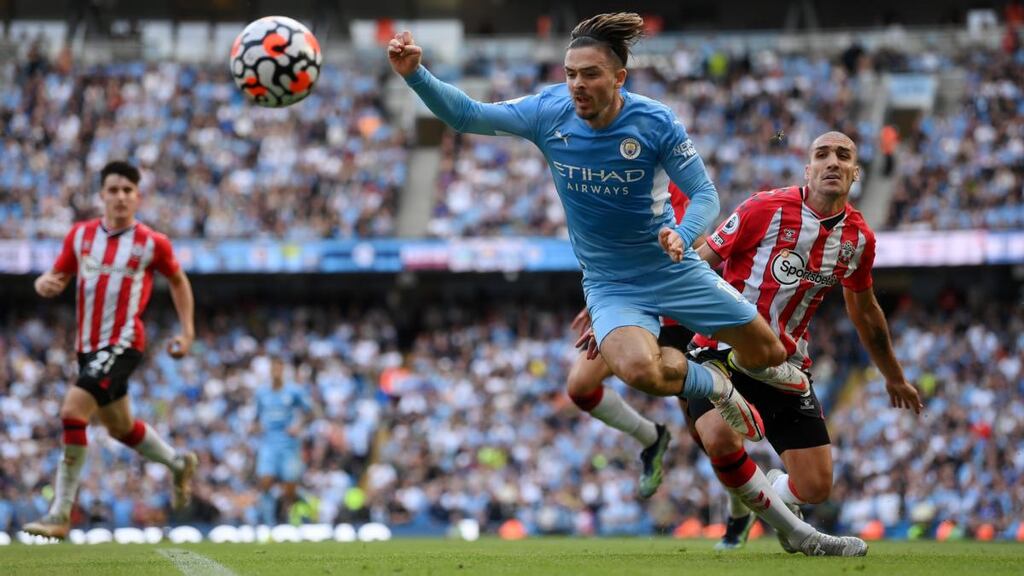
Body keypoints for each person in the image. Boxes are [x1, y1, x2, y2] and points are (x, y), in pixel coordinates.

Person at [388, 12, 815, 444]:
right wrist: (415, 74)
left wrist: (682, 236)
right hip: (611, 284)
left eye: (590, 74)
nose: (577, 84)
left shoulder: (655, 122)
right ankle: (715, 385)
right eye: (571, 74)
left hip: (672, 270)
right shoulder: (548, 112)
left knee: (768, 352)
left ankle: (734, 375)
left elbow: (704, 194)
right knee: (639, 370)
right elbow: (467, 116)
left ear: (619, 78)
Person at [684, 132, 922, 554]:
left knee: (815, 487)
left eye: (843, 156)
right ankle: (802, 536)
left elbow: (866, 313)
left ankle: (770, 492)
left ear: (855, 173)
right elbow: (698, 263)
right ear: (808, 170)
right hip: (720, 352)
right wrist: (630, 310)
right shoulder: (763, 208)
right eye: (822, 155)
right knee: (719, 439)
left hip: (787, 366)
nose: (833, 162)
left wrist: (894, 377)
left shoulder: (858, 239)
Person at [23, 160, 198, 539]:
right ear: (102, 195)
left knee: (73, 411)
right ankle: (177, 462)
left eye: (127, 190)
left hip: (123, 342)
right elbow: (56, 276)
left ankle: (60, 514)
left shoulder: (151, 242)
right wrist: (43, 283)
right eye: (114, 190)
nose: (121, 197)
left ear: (138, 197)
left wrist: (187, 332)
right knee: (120, 427)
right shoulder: (81, 236)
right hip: (86, 349)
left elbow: (179, 281)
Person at [566, 182, 693, 500]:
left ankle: (739, 508)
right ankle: (652, 437)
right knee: (580, 386)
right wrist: (604, 299)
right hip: (635, 310)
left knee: (708, 436)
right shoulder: (615, 183)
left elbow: (698, 248)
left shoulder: (677, 183)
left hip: (678, 315)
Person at [254, 356, 316, 525]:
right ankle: (268, 521)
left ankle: (290, 516)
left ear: (283, 371)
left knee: (289, 485)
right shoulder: (261, 392)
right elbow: (256, 417)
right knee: (265, 480)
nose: (276, 372)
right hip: (268, 442)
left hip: (288, 443)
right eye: (273, 369)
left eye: (279, 368)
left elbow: (311, 411)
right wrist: (255, 427)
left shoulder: (294, 391)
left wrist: (298, 425)